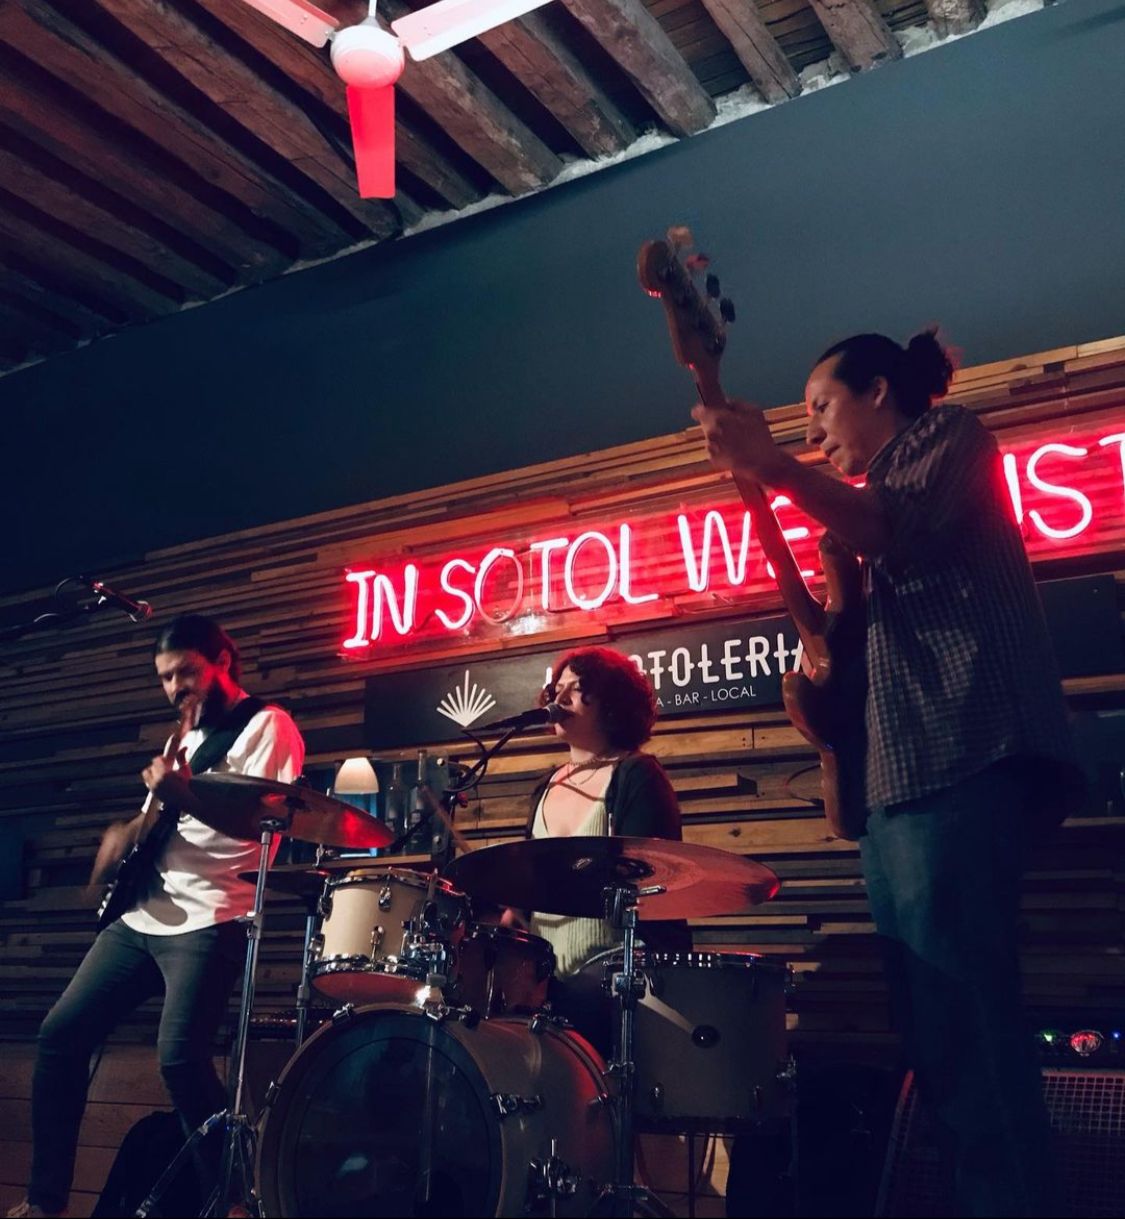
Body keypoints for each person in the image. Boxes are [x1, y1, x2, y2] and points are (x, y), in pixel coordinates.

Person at [694, 330, 1083, 1217]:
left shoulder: (948, 435)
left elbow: (893, 526)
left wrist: (771, 465)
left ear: (877, 390)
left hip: (960, 753)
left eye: (820, 407)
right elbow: (851, 649)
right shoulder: (853, 519)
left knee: (970, 1032)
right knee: (940, 1039)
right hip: (899, 782)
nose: (812, 430)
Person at [8, 614, 305, 1219]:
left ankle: (234, 1201)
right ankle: (45, 1202)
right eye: (165, 678)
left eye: (185, 673)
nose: (174, 689)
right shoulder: (185, 737)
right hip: (145, 912)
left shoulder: (267, 726)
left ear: (223, 660)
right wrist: (126, 832)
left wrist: (180, 792)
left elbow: (258, 825)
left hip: (212, 914)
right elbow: (164, 820)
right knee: (61, 1035)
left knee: (180, 1059)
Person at [503, 645, 688, 1053]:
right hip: (548, 982)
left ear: (613, 702)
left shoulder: (635, 775)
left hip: (619, 977)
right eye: (557, 687)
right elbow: (529, 891)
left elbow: (648, 885)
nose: (560, 695)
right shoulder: (546, 787)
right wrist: (515, 912)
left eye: (578, 686)